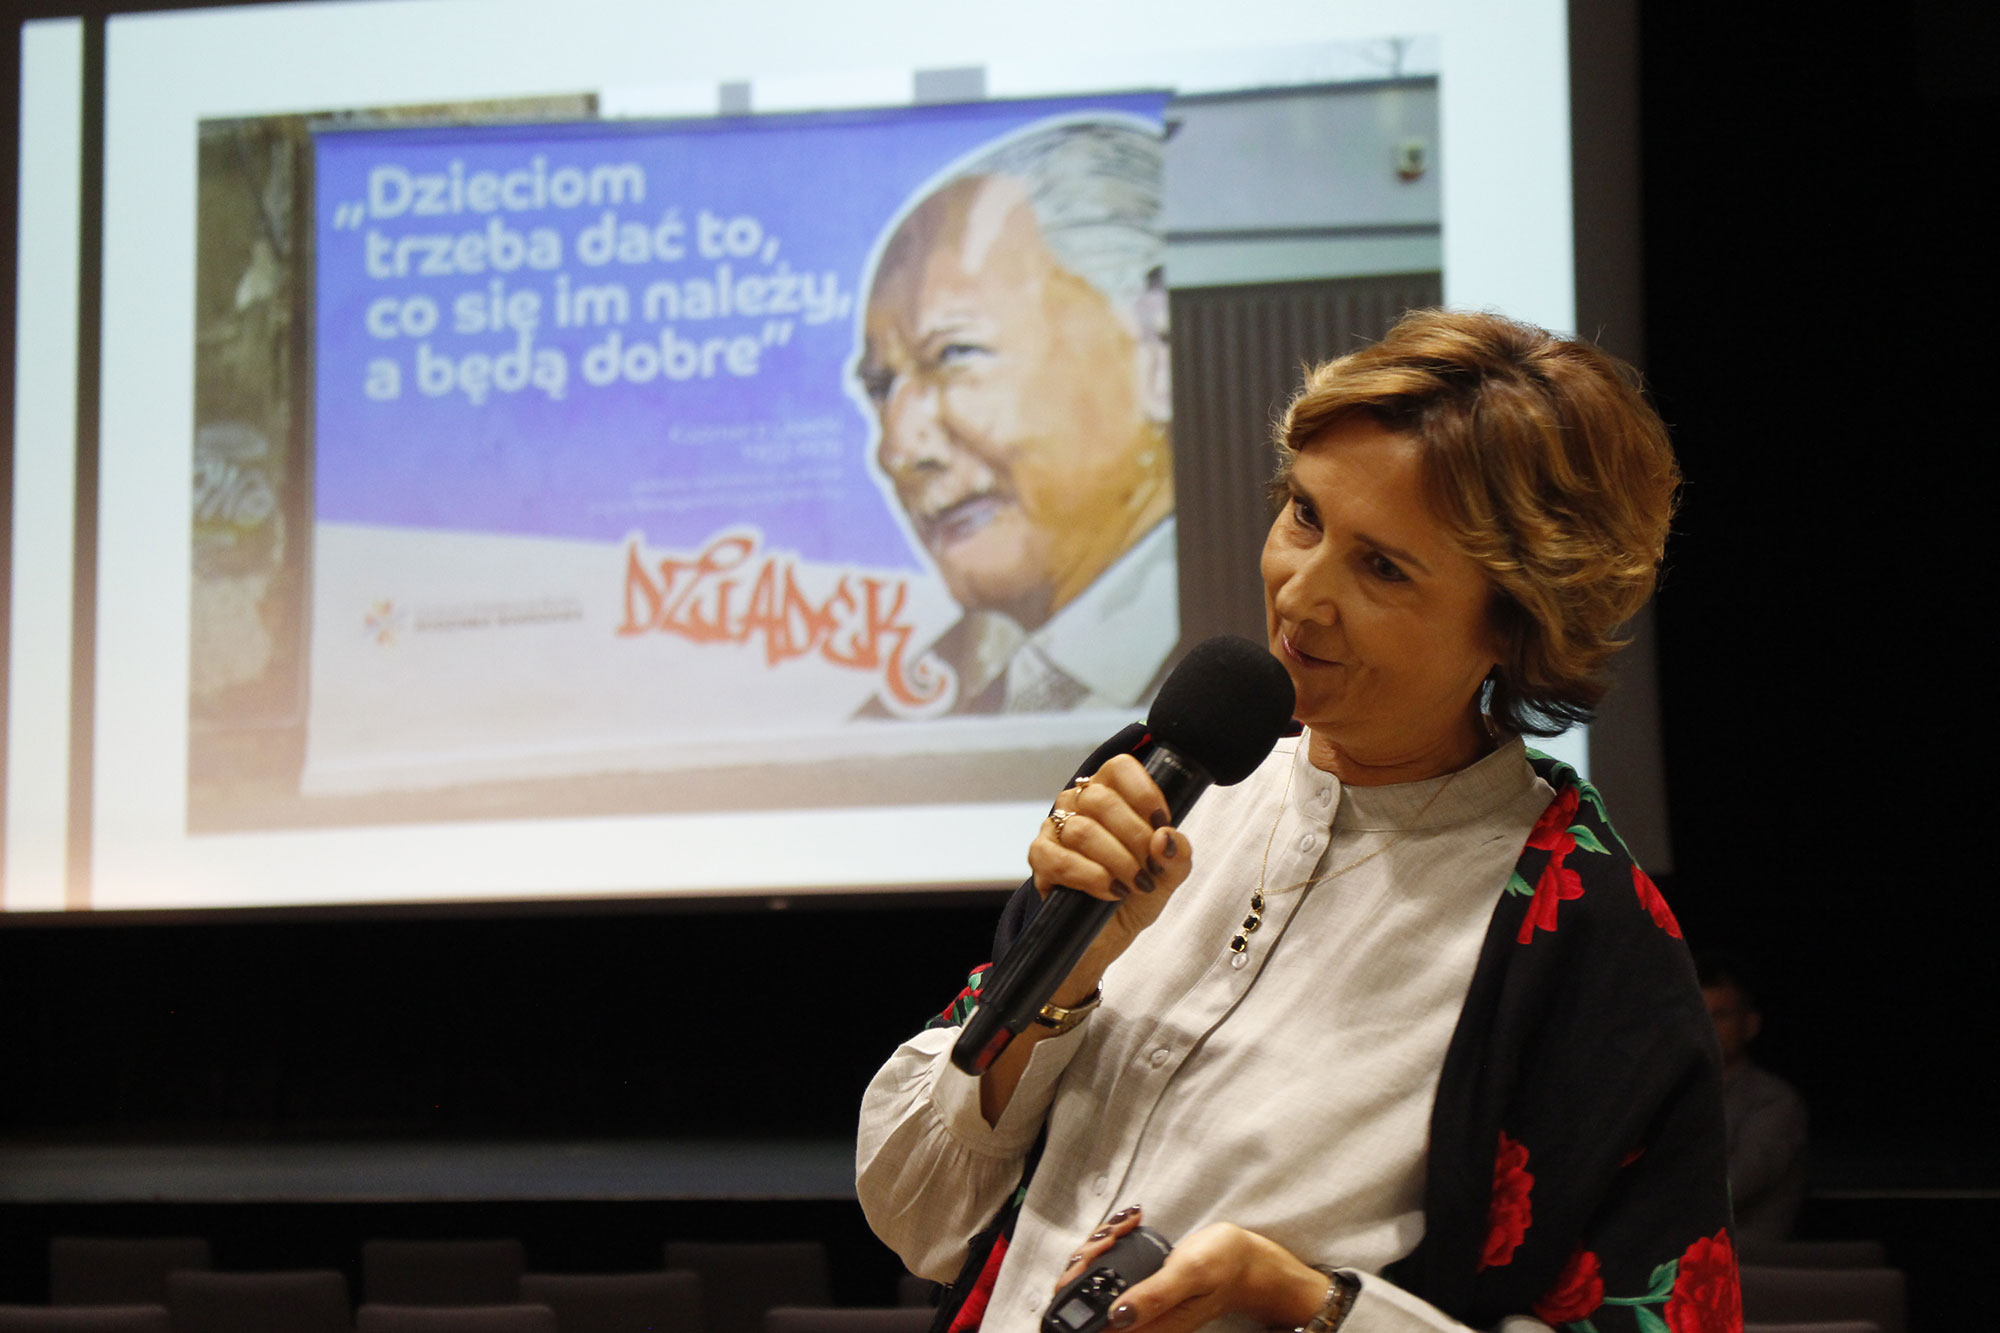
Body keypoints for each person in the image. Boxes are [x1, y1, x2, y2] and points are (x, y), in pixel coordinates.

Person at [858, 309, 1740, 1333]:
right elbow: (917, 1213)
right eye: (1304, 515)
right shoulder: (1168, 776)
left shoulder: (1580, 931)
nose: (1300, 595)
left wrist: (1306, 1303)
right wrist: (1061, 979)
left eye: (1384, 568)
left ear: (1518, 619)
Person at [854, 118, 1176, 714]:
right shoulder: (897, 717)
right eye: (880, 387)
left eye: (954, 354)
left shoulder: (1287, 669)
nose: (897, 448)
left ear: (1156, 354)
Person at [1698, 953, 1808, 1250]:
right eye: (1697, 1015)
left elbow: (1733, 1187)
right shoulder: (1674, 1097)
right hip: (1683, 1256)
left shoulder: (1773, 1102)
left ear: (1750, 1024)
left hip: (1750, 1263)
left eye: (1720, 1015)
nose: (1706, 1027)